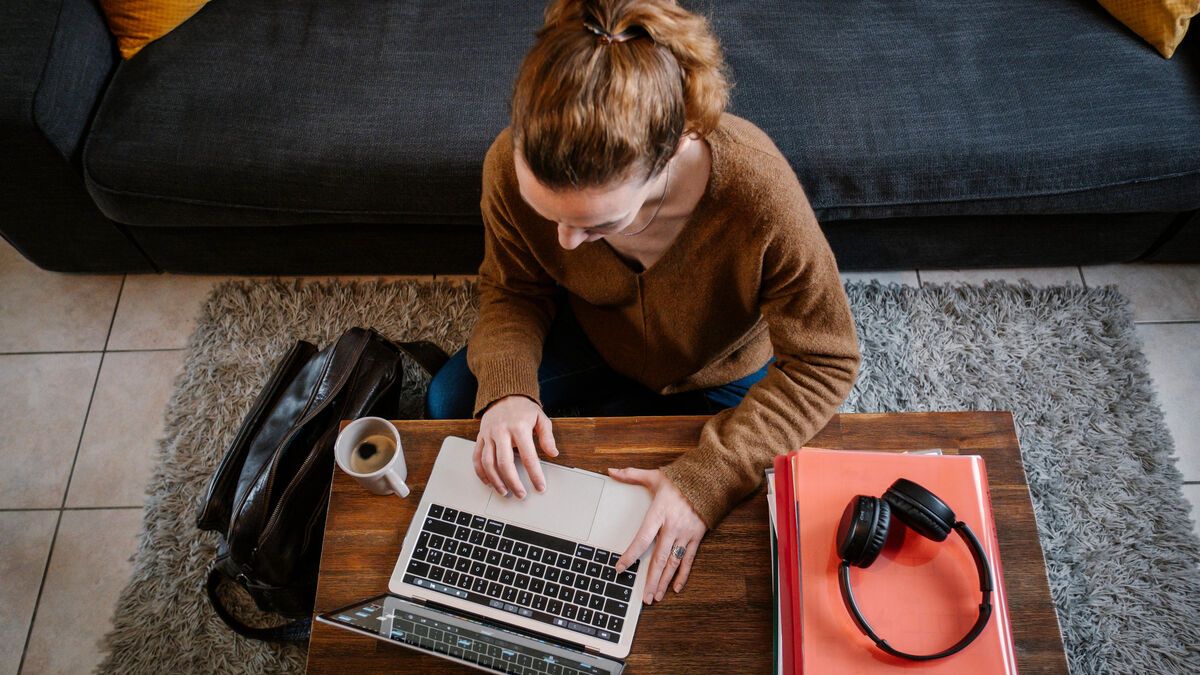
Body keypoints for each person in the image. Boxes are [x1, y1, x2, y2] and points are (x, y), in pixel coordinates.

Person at [426, 0, 861, 607]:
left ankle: (625, 414)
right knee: (452, 401)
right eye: (550, 214)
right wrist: (509, 389)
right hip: (597, 332)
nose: (566, 244)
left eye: (597, 224)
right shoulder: (507, 164)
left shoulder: (759, 195)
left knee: (734, 530)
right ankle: (617, 406)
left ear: (673, 149)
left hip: (722, 369)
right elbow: (515, 288)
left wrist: (706, 481)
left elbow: (827, 362)